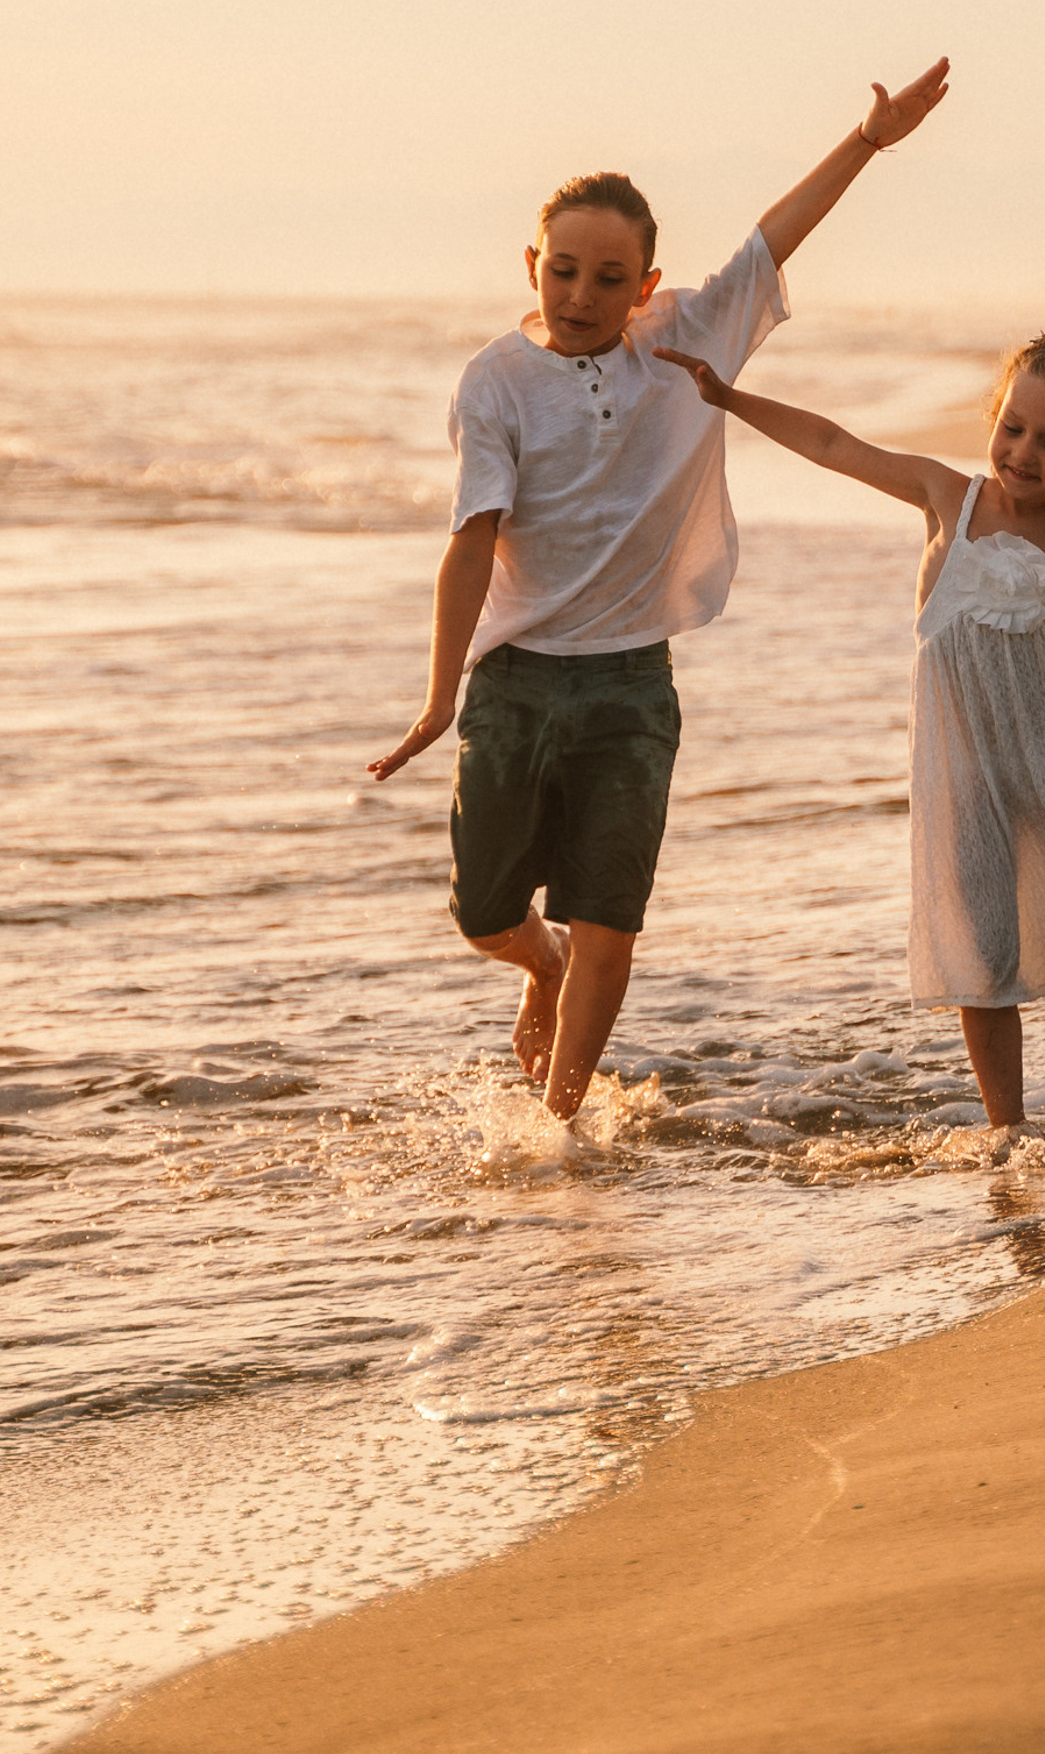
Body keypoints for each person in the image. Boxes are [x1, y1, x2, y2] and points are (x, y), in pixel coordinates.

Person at [368, 60, 951, 1120]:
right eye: (562, 271)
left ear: (645, 285)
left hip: (633, 686)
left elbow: (773, 239)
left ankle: (564, 1125)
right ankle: (535, 969)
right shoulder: (495, 379)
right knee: (484, 907)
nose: (581, 295)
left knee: (610, 913)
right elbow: (470, 539)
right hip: (516, 682)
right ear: (531, 267)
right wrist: (439, 692)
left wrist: (866, 143)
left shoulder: (682, 343)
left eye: (607, 277)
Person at [655, 328, 1045, 1128]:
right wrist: (729, 398)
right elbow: (834, 442)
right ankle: (1005, 1124)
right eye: (1013, 428)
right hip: (961, 770)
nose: (1021, 454)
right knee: (982, 950)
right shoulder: (947, 495)